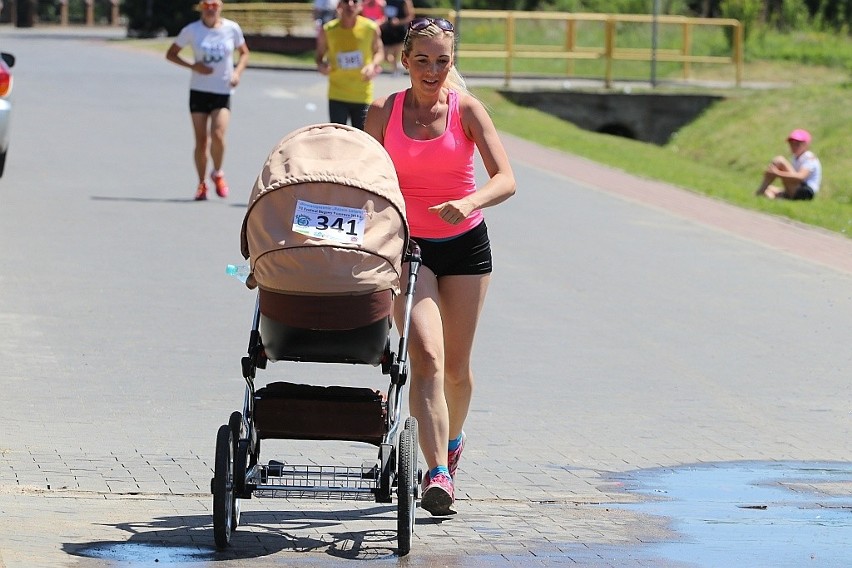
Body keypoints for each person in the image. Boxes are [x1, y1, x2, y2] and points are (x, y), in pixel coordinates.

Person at [364, 17, 516, 516]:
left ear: (453, 62)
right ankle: (437, 473)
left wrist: (470, 201)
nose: (433, 70)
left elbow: (506, 179)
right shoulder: (382, 112)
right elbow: (364, 180)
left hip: (466, 247)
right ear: (404, 60)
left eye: (443, 60)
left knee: (456, 369)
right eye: (423, 60)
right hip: (408, 248)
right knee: (426, 357)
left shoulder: (467, 109)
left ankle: (452, 441)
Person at [166, 0, 249, 201]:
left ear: (220, 6)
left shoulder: (232, 28)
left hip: (222, 90)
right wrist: (194, 66)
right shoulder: (191, 30)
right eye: (206, 5)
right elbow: (171, 54)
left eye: (215, 5)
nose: (211, 9)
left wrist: (237, 73)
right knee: (202, 140)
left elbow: (244, 53)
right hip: (199, 90)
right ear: (201, 8)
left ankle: (218, 173)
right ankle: (202, 183)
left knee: (218, 135)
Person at [315, 0, 384, 131]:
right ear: (339, 5)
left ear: (360, 5)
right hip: (337, 94)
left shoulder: (370, 28)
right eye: (346, 1)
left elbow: (379, 52)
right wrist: (322, 66)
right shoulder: (328, 30)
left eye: (355, 1)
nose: (350, 5)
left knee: (361, 140)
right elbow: (319, 56)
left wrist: (372, 65)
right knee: (337, 138)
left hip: (362, 94)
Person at [755, 129, 822, 200]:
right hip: (798, 187)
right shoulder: (796, 157)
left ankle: (760, 193)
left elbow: (800, 177)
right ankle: (768, 195)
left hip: (805, 191)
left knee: (780, 160)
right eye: (791, 143)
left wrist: (777, 173)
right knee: (769, 189)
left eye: (797, 144)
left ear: (805, 145)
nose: (793, 146)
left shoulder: (809, 157)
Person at [379, 0, 414, 75]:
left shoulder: (404, 1)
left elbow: (410, 17)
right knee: (384, 54)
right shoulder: (386, 1)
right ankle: (396, 66)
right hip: (387, 31)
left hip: (399, 31)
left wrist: (399, 21)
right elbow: (383, 14)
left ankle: (396, 70)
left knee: (395, 54)